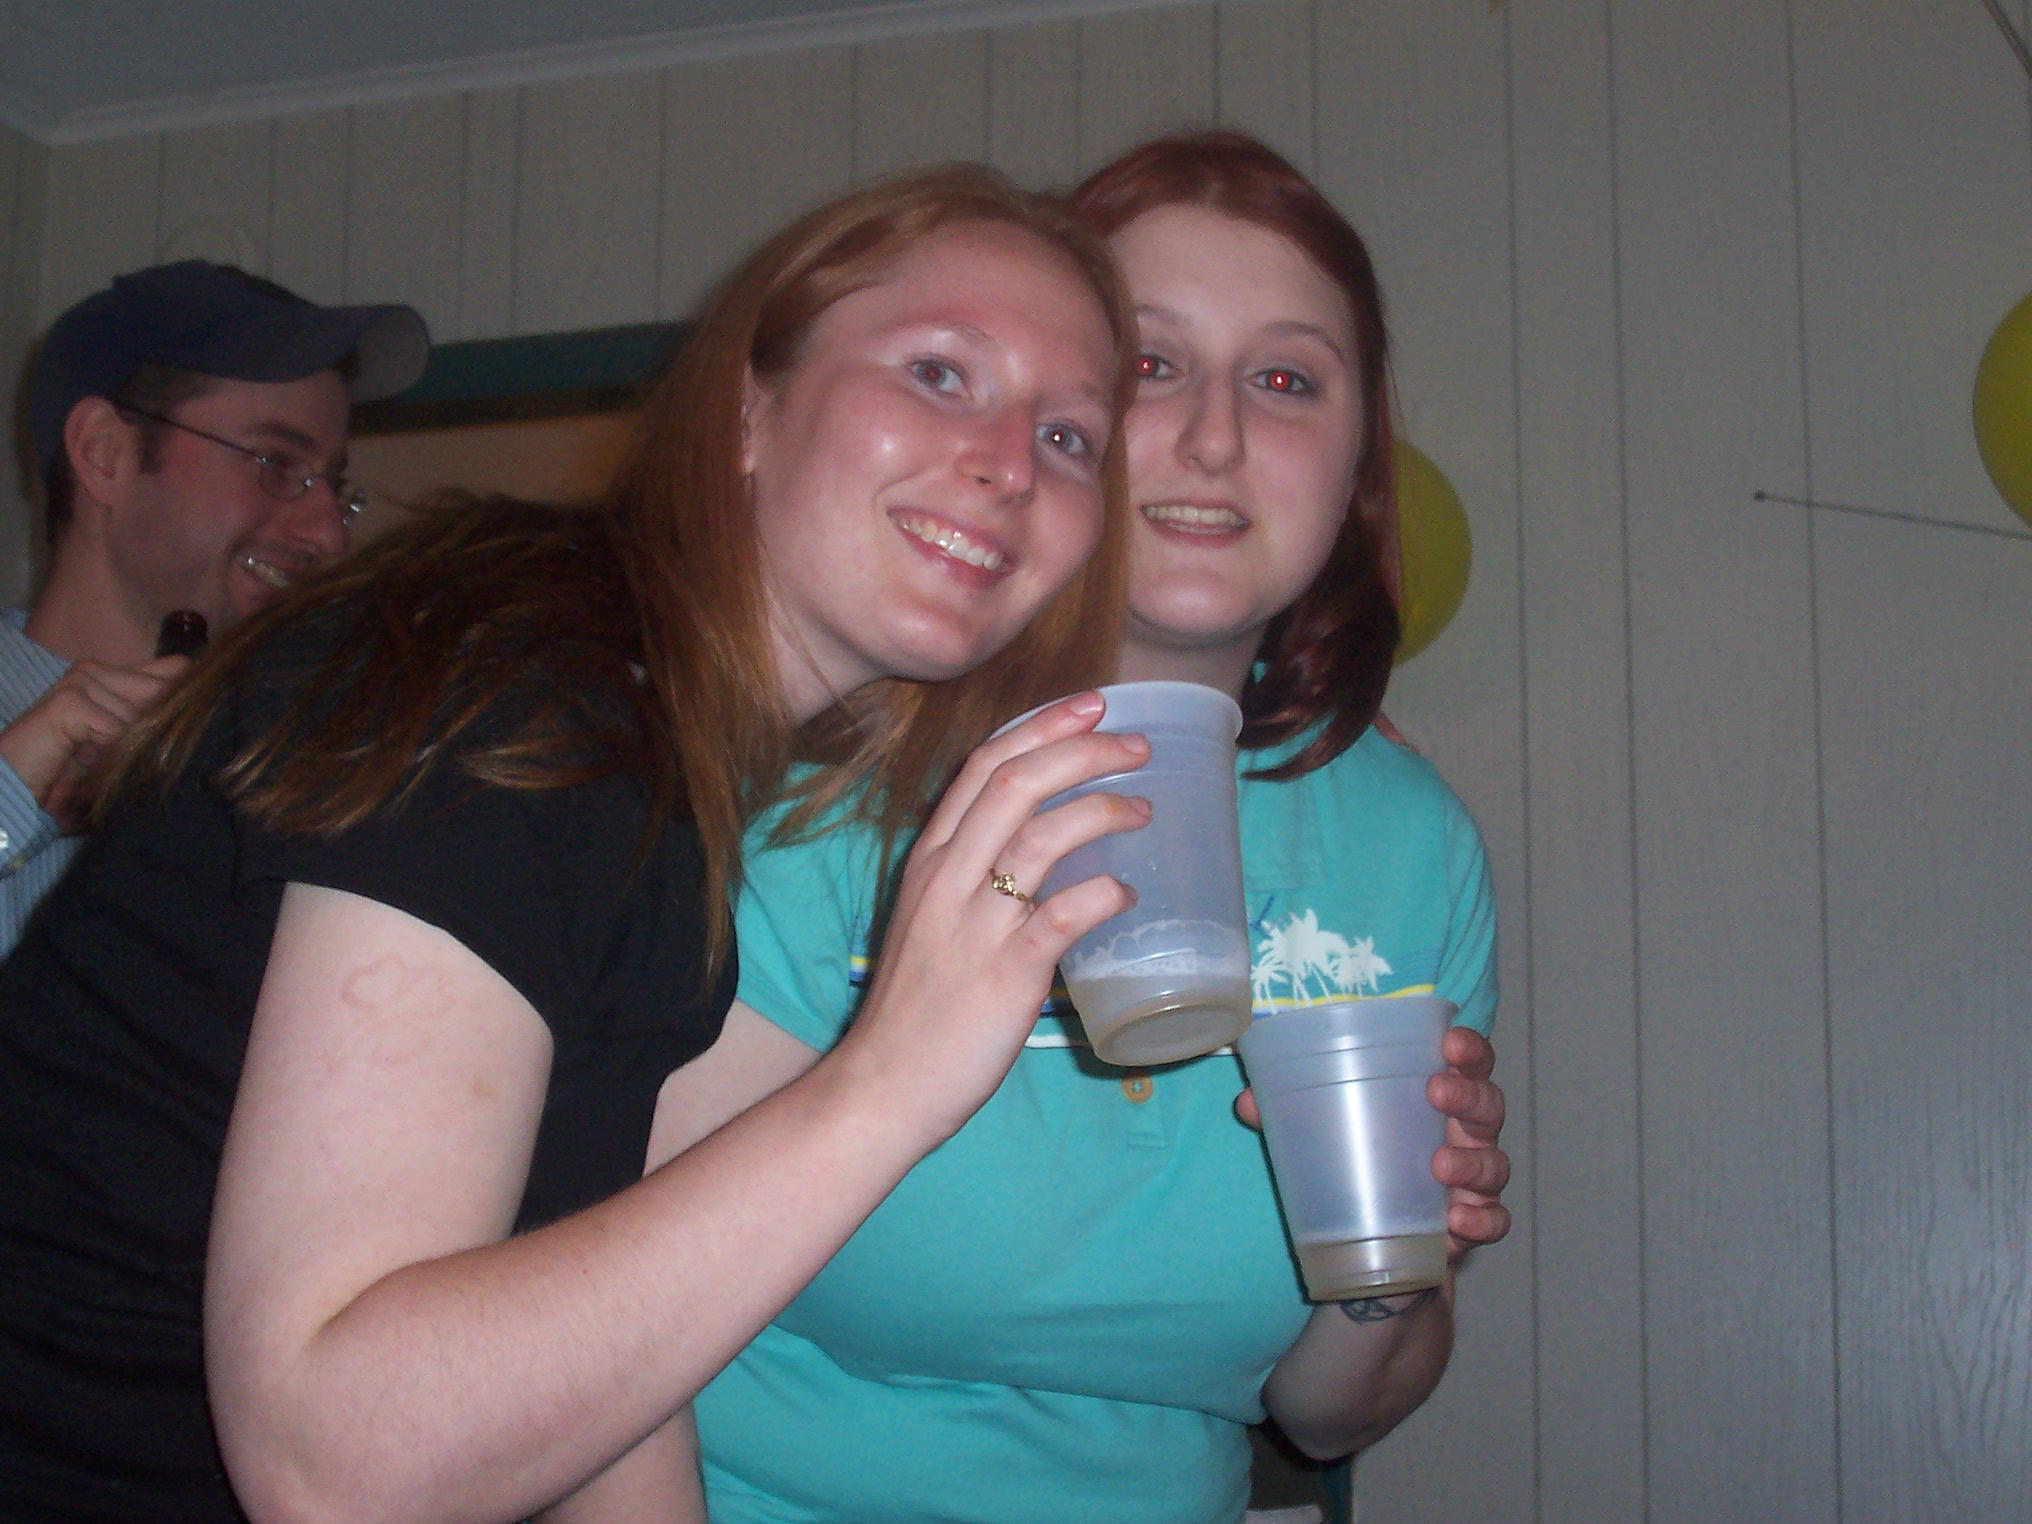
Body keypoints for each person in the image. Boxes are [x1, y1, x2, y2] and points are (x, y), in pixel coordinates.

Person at [0, 166, 1147, 1523]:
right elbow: (330, 1461)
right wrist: (889, 1081)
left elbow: (577, 1333)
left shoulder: (658, 758)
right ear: (747, 411)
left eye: (1069, 436)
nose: (1011, 462)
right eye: (941, 373)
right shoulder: (514, 686)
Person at [679, 131, 1510, 1523]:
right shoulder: (826, 773)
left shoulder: (1408, 849)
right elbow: (600, 1280)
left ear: (1359, 464)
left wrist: (1396, 1255)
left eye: (1287, 380)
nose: (1216, 438)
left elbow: (1323, 1411)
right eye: (1150, 366)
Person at [0, 260, 428, 954]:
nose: (330, 534)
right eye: (276, 465)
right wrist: (12, 795)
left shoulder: (294, 769)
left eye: (334, 485)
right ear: (105, 454)